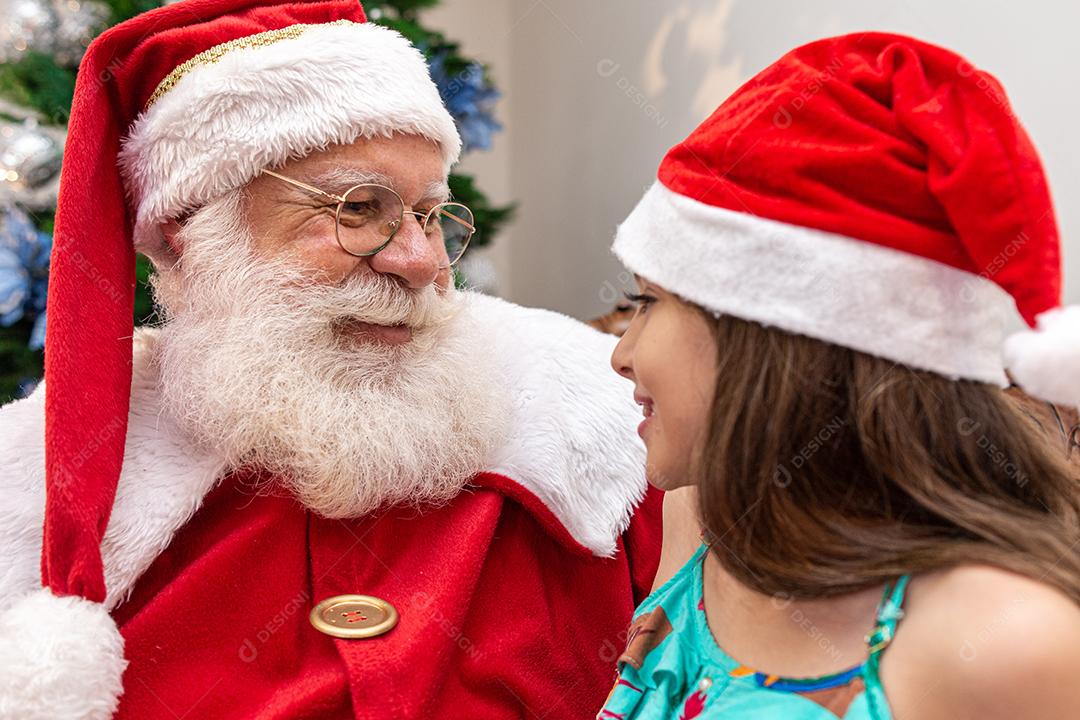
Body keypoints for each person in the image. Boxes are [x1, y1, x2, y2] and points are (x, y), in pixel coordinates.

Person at [0, 2, 662, 718]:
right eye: (355, 207)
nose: (421, 262)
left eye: (431, 214)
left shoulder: (605, 423)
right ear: (195, 243)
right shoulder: (33, 496)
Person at [599, 32, 1080, 719]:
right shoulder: (703, 518)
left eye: (646, 301)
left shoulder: (1005, 642)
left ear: (768, 341)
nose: (621, 353)